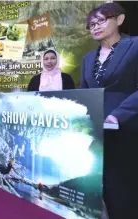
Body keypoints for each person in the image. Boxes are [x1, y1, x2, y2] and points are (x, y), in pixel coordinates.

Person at [80, 3, 138, 218]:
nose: (95, 27)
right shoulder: (87, 59)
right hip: (97, 134)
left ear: (120, 20)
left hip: (127, 131)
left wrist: (117, 116)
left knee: (123, 190)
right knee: (98, 188)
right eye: (91, 24)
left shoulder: (135, 46)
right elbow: (84, 94)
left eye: (101, 21)